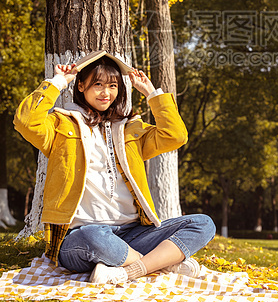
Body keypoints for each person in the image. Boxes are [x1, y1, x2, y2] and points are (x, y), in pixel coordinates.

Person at [14, 53, 216, 285]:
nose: (105, 93)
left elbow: (176, 136)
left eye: (112, 86)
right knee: (95, 237)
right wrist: (59, 81)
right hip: (81, 237)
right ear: (81, 85)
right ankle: (160, 265)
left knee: (202, 223)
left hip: (133, 234)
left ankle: (130, 268)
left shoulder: (129, 129)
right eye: (97, 84)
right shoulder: (61, 125)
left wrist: (151, 94)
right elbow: (25, 121)